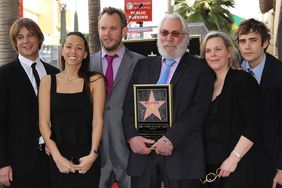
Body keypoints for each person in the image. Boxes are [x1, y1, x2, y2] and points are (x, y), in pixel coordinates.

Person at [122, 13, 214, 188]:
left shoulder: (200, 68)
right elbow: (128, 106)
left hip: (182, 156)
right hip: (144, 156)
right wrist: (132, 137)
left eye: (175, 33)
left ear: (185, 37)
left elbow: (199, 110)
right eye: (164, 33)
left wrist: (170, 139)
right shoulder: (143, 66)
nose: (169, 38)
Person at [38, 32, 105, 188]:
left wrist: (93, 155)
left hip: (87, 157)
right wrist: (57, 158)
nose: (73, 52)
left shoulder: (95, 81)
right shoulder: (47, 82)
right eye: (68, 46)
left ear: (85, 54)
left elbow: (98, 120)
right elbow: (43, 122)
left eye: (79, 48)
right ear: (62, 51)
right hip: (58, 157)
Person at [200, 31, 265, 188]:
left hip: (238, 167)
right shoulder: (205, 85)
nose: (213, 55)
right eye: (208, 51)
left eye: (218, 49)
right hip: (209, 170)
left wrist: (234, 158)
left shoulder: (243, 80)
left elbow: (255, 124)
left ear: (229, 52)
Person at [0, 18, 59, 188]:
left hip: (52, 162)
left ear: (39, 38)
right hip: (18, 165)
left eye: (30, 35)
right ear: (15, 42)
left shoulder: (54, 73)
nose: (25, 41)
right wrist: (2, 163)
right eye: (20, 37)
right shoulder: (4, 75)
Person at [90, 7, 144, 188]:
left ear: (124, 31)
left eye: (113, 28)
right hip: (96, 153)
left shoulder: (141, 63)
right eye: (103, 28)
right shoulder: (87, 64)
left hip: (129, 151)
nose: (107, 33)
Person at [236, 18, 282, 188]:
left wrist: (281, 167)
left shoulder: (279, 74)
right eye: (242, 41)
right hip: (242, 160)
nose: (247, 46)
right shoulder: (234, 71)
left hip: (271, 161)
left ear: (265, 43)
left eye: (253, 40)